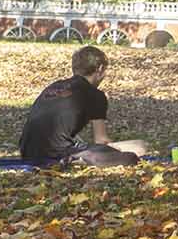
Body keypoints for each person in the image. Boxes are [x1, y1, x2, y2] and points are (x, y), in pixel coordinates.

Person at [19, 46, 150, 166]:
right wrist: (113, 148)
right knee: (138, 148)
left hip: (26, 151)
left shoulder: (55, 86)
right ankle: (78, 160)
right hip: (57, 154)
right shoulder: (96, 95)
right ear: (100, 69)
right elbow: (101, 139)